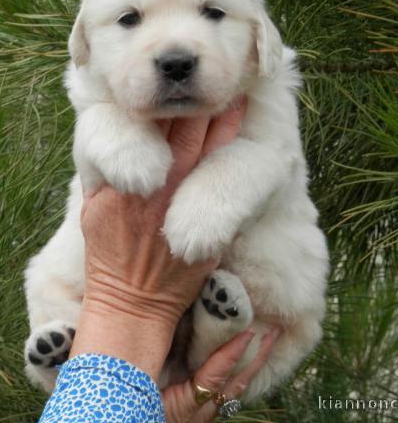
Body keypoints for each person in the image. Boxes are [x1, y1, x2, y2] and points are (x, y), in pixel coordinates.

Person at [39, 97, 280, 422]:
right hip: (172, 377)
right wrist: (131, 300)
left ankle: (207, 337)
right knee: (45, 288)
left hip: (193, 376)